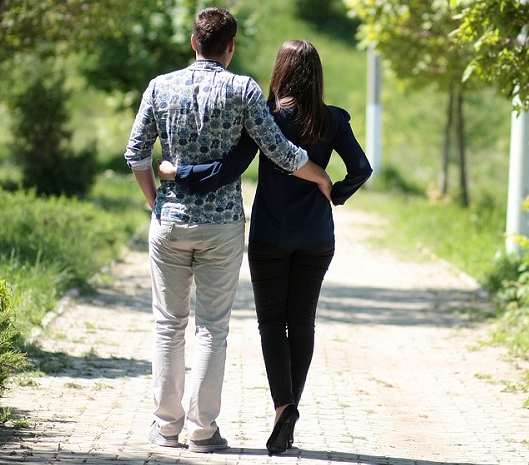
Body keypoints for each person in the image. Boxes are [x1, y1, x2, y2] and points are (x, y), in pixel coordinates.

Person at [123, 9, 332, 453]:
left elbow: (136, 153)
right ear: (231, 47)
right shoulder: (243, 90)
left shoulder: (160, 87)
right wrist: (320, 176)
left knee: (168, 324)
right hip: (221, 226)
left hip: (170, 222)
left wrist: (154, 201)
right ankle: (203, 431)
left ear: (193, 42)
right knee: (212, 328)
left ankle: (166, 427)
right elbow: (280, 151)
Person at [159, 39, 373, 455]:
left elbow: (228, 169)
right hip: (315, 236)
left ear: (281, 72)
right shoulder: (332, 119)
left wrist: (178, 172)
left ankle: (283, 406)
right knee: (303, 322)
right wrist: (335, 193)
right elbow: (362, 168)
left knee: (272, 324)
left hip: (270, 235)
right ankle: (286, 413)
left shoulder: (267, 118)